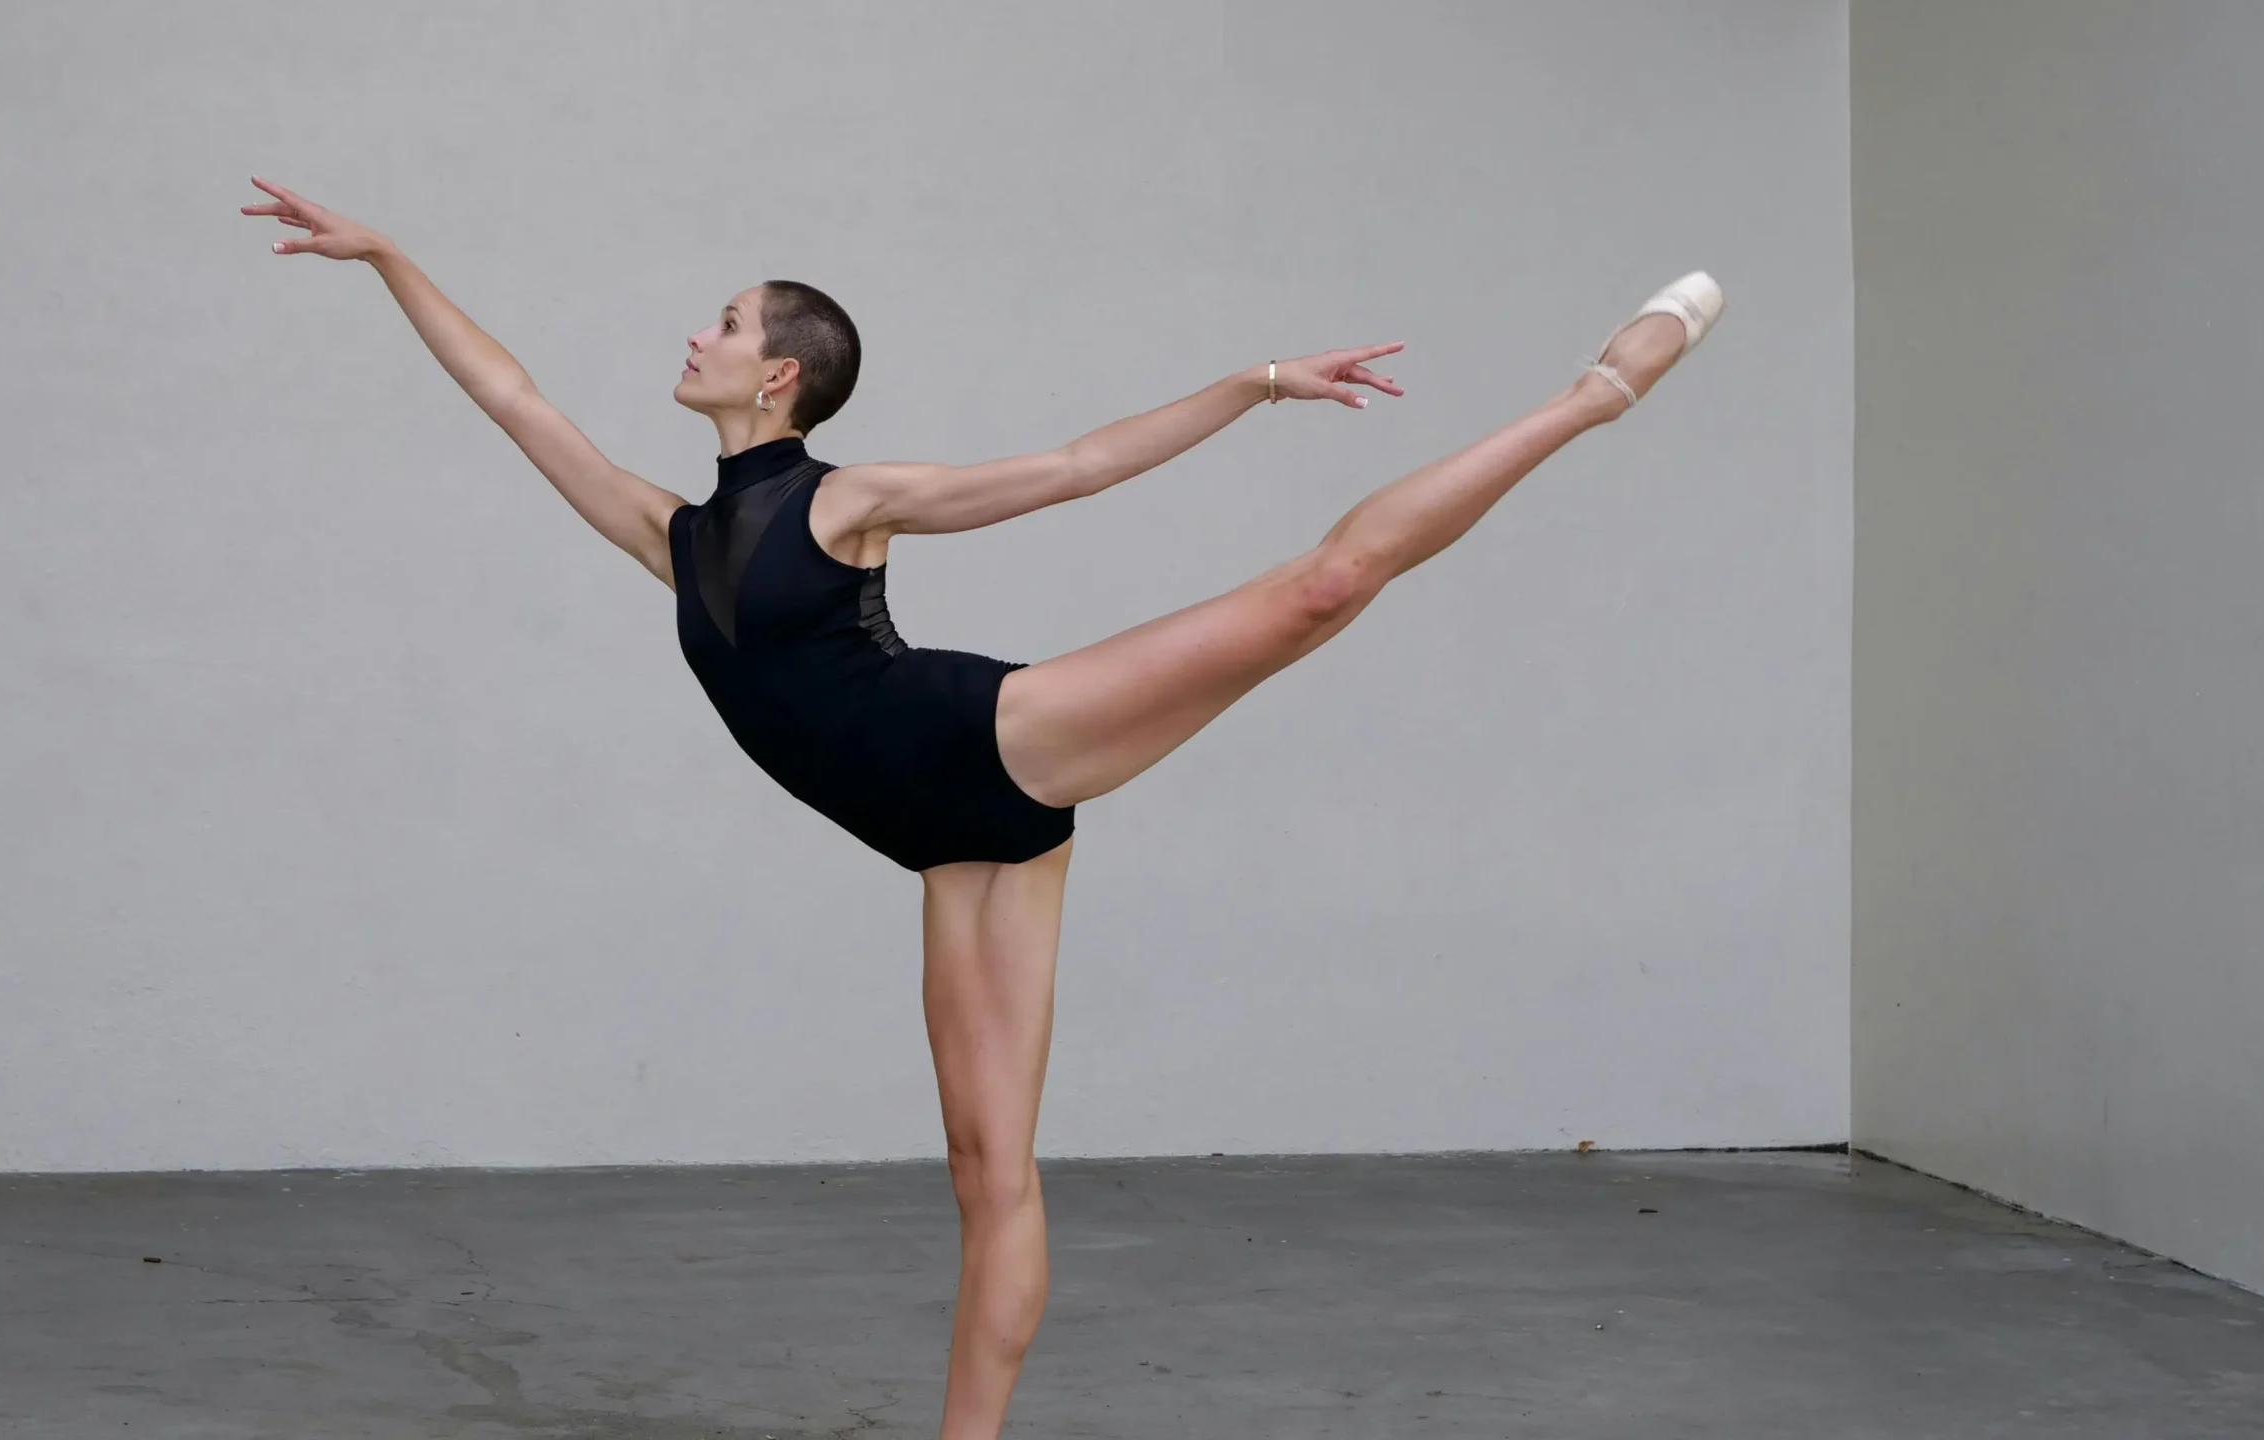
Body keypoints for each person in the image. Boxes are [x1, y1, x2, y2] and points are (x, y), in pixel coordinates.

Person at [241, 175, 1720, 1440]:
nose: (695, 331)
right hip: (953, 846)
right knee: (986, 1171)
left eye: (726, 320)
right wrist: (388, 258)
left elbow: (1072, 468)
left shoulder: (847, 497)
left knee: (1316, 593)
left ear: (779, 379)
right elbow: (510, 396)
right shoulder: (667, 533)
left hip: (994, 739)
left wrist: (1259, 383)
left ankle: (1594, 395)